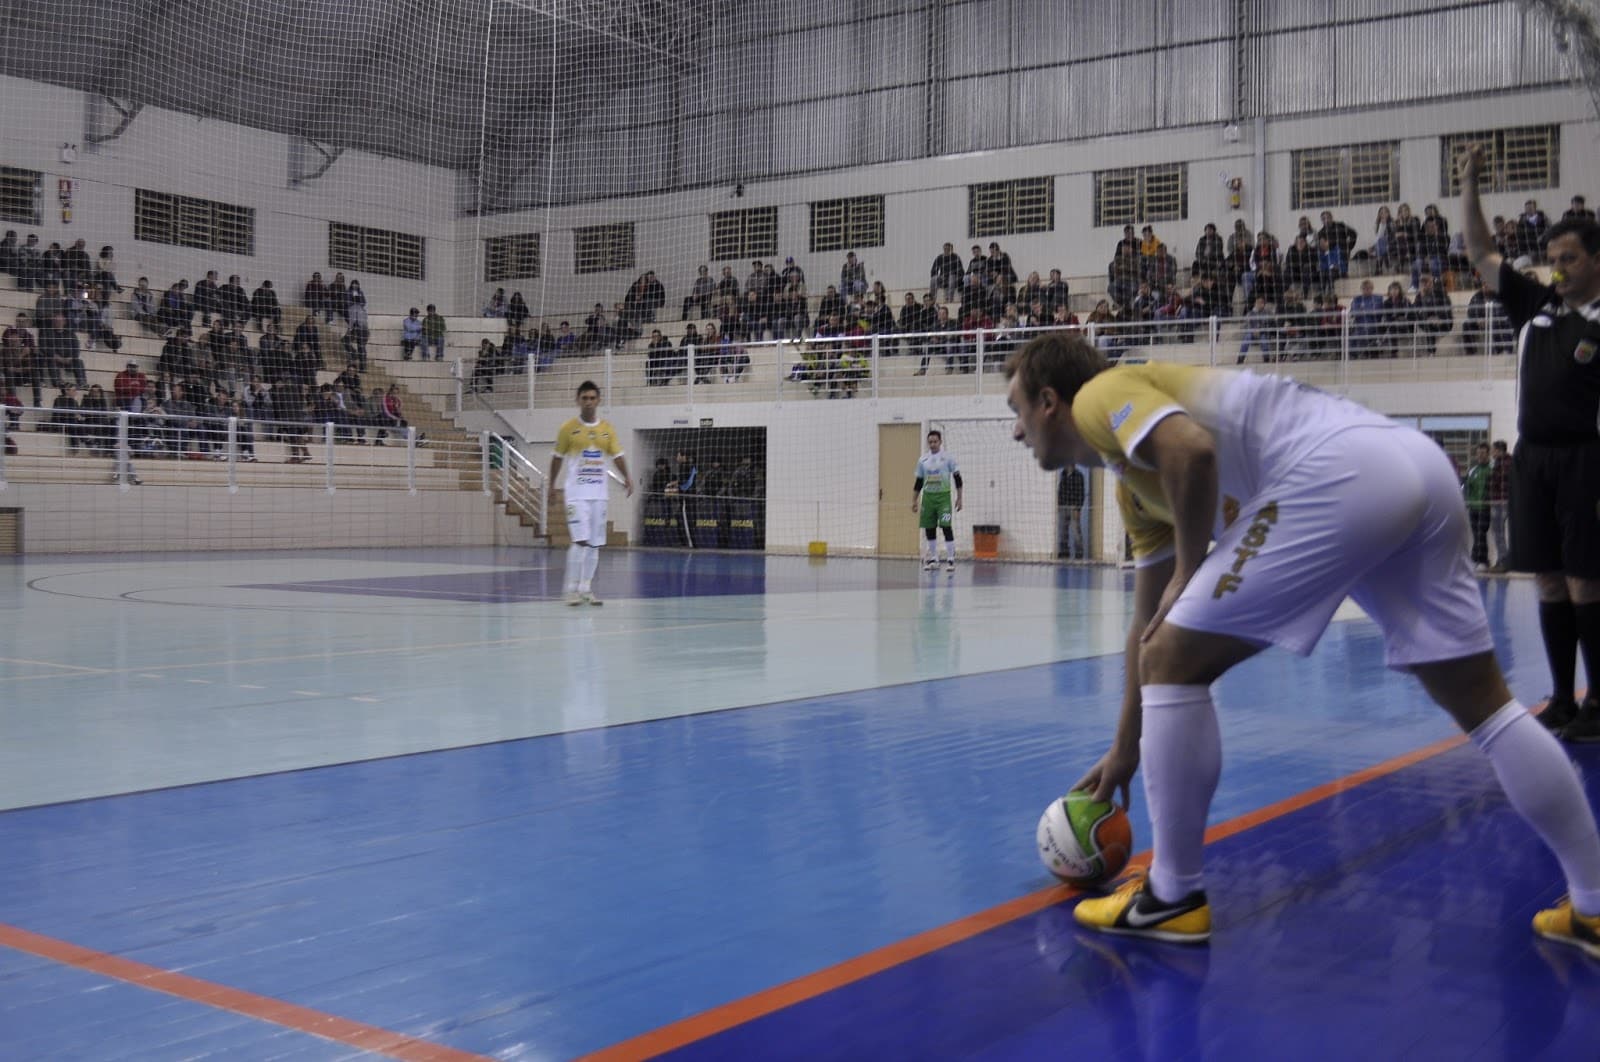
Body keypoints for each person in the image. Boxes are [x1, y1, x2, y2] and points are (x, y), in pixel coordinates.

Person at [1003, 330, 1600, 955]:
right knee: (1485, 705)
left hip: (1339, 472)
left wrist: (1187, 570)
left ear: (1050, 400)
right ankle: (1593, 905)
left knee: (1175, 662)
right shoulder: (1132, 486)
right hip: (1413, 466)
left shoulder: (1102, 394)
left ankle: (1172, 896)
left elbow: (1192, 451)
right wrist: (1125, 746)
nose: (1017, 431)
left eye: (1017, 411)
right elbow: (1146, 624)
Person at [1461, 143, 1600, 741]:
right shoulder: (1536, 306)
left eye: (1567, 257)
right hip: (1531, 460)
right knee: (1545, 578)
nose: (1556, 268)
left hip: (1587, 461)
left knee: (1585, 581)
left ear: (1596, 261)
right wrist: (1469, 182)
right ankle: (1563, 699)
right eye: (1551, 258)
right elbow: (1481, 252)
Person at [548, 381, 633, 606]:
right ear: (578, 400)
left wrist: (627, 477)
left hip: (599, 495)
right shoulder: (568, 429)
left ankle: (586, 588)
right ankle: (571, 590)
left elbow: (617, 455)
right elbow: (557, 458)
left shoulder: (607, 429)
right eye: (584, 398)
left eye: (592, 398)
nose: (588, 402)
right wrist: (551, 486)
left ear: (598, 401)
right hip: (576, 494)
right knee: (581, 540)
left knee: (595, 543)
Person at [912, 429, 963, 571]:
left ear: (940, 442)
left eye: (935, 441)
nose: (933, 444)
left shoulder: (948, 458)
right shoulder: (923, 460)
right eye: (930, 442)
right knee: (929, 528)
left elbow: (958, 478)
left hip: (943, 496)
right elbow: (919, 481)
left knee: (946, 526)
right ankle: (934, 558)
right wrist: (914, 500)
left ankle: (951, 559)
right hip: (928, 497)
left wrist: (960, 498)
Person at [1464, 442, 1492, 569]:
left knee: (1481, 533)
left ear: (1488, 454)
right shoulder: (1472, 471)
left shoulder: (1491, 470)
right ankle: (1475, 558)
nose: (1480, 456)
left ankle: (1483, 560)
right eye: (1478, 453)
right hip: (1473, 507)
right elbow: (1467, 488)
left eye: (1483, 453)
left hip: (1485, 507)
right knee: (1476, 534)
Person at [1488, 439, 1511, 573]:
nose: (1492, 452)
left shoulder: (1502, 464)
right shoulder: (1507, 462)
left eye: (1493, 449)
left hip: (1501, 503)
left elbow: (1499, 485)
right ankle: (1502, 560)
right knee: (1498, 532)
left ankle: (1503, 561)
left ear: (1499, 450)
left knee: (1499, 532)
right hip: (1502, 503)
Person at [1058, 465, 1087, 560]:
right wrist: (1059, 504)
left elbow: (1081, 493)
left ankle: (1079, 553)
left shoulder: (1079, 475)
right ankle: (1064, 552)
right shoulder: (1063, 474)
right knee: (1063, 531)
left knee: (1076, 531)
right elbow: (1060, 491)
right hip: (1063, 506)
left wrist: (1078, 508)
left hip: (1074, 507)